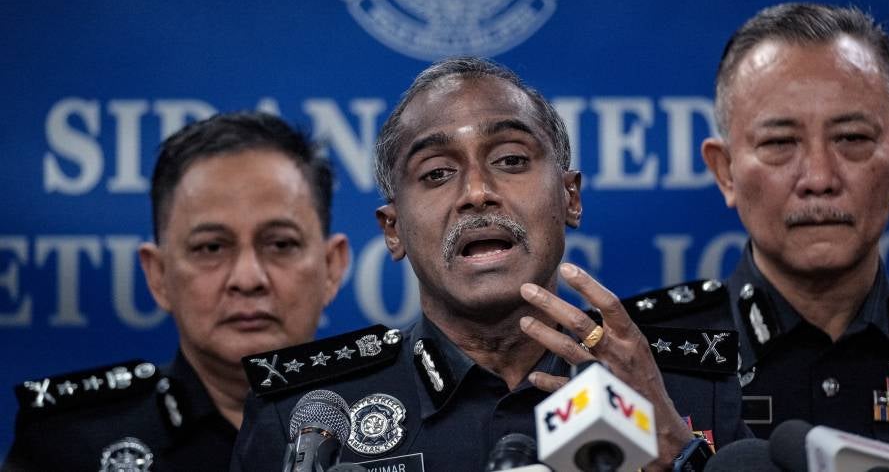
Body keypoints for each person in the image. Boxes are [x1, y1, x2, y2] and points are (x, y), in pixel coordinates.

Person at [231, 58, 747, 471]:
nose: (477, 193)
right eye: (436, 173)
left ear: (570, 198)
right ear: (394, 230)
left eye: (512, 161)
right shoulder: (307, 420)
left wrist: (681, 457)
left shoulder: (685, 388)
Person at [622, 3, 889, 471]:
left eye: (852, 138)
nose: (819, 178)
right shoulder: (639, 363)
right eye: (780, 144)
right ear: (726, 173)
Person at [4, 112, 350, 472]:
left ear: (332, 267)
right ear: (158, 275)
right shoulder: (70, 444)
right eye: (211, 248)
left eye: (280, 243)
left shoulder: (390, 425)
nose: (247, 279)